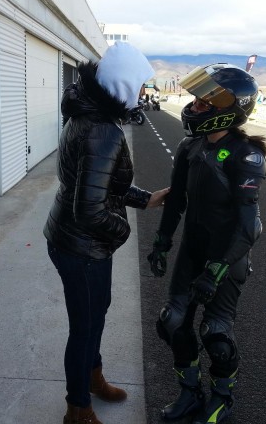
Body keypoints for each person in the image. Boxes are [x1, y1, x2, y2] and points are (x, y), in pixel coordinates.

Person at [44, 42, 170, 424]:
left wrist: (145, 199)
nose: (143, 92)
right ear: (124, 84)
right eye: (140, 84)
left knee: (95, 314)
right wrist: (122, 231)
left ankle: (93, 378)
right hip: (82, 246)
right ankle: (78, 409)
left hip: (73, 240)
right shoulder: (103, 131)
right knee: (85, 327)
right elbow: (90, 209)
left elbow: (99, 185)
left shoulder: (88, 114)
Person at [147, 63, 266, 423]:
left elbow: (249, 227)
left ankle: (222, 397)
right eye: (196, 100)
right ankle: (189, 392)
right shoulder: (189, 146)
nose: (194, 106)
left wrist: (216, 270)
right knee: (173, 323)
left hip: (227, 257)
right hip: (193, 249)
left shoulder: (246, 155)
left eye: (204, 102)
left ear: (230, 109)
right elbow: (176, 200)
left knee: (215, 333)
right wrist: (162, 242)